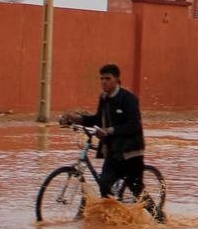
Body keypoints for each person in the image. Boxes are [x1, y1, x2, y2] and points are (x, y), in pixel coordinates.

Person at [59, 64, 145, 202]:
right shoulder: (104, 98)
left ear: (116, 79)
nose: (104, 82)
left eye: (108, 78)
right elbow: (98, 119)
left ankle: (158, 214)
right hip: (113, 151)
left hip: (131, 153)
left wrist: (109, 130)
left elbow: (133, 126)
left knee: (139, 194)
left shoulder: (129, 99)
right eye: (102, 78)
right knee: (104, 186)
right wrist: (78, 119)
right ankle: (112, 214)